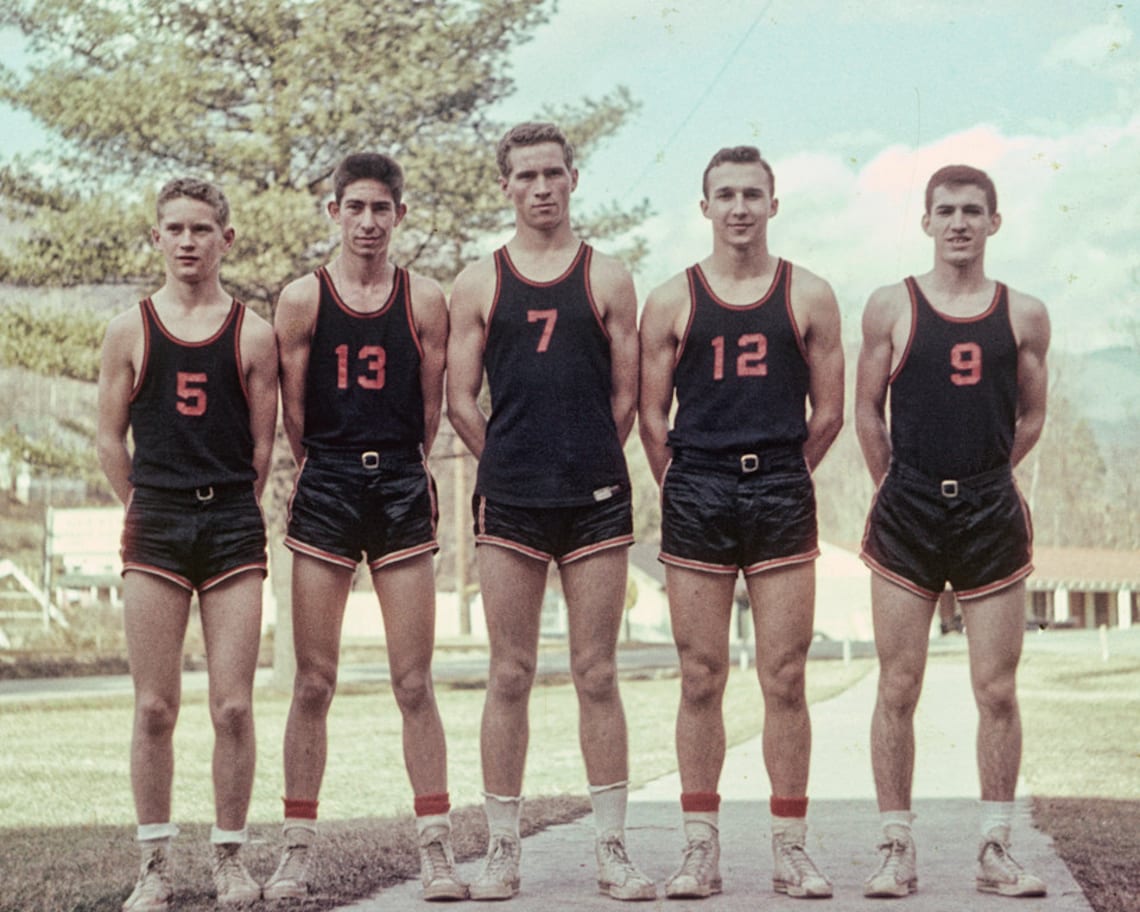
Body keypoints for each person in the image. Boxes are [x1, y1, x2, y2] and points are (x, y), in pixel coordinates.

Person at [446, 122, 654, 902]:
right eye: (526, 176)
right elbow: (460, 397)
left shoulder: (608, 277)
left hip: (595, 498)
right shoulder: (479, 282)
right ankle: (502, 849)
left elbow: (626, 395)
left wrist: (591, 455)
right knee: (510, 672)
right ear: (506, 186)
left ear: (574, 178)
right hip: (513, 500)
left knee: (597, 671)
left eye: (553, 175)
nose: (541, 188)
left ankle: (612, 849)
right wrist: (504, 455)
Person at [639, 146, 845, 900]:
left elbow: (828, 415)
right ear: (705, 208)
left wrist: (782, 473)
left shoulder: (809, 294)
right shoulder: (672, 299)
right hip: (698, 489)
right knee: (701, 676)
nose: (739, 208)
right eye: (724, 194)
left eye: (752, 194)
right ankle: (700, 848)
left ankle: (790, 847)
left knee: (785, 676)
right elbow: (650, 417)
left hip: (781, 488)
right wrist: (689, 482)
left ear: (773, 203)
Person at [266, 152, 461, 902]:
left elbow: (430, 407)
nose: (370, 222)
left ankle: (437, 848)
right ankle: (295, 849)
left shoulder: (426, 299)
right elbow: (294, 417)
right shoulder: (301, 300)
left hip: (402, 485)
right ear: (335, 213)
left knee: (414, 680)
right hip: (329, 481)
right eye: (356, 208)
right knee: (313, 681)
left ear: (400, 215)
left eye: (383, 209)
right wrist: (336, 465)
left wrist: (397, 467)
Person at [855, 164, 1050, 899]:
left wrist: (988, 472)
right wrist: (894, 484)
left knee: (996, 689)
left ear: (994, 222)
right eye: (946, 210)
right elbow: (868, 411)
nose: (960, 222)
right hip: (907, 508)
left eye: (974, 210)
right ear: (926, 222)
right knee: (898, 684)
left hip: (989, 510)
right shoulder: (891, 307)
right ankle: (894, 847)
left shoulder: (1024, 314)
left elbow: (1030, 414)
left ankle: (996, 847)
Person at [96, 178, 278, 910]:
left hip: (231, 521)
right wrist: (144, 505)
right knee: (154, 707)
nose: (187, 241)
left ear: (225, 239)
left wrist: (225, 503)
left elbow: (263, 447)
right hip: (157, 525)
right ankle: (155, 864)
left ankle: (230, 856)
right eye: (173, 228)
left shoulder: (253, 333)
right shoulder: (129, 329)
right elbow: (109, 438)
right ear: (156, 238)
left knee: (233, 706)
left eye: (202, 228)